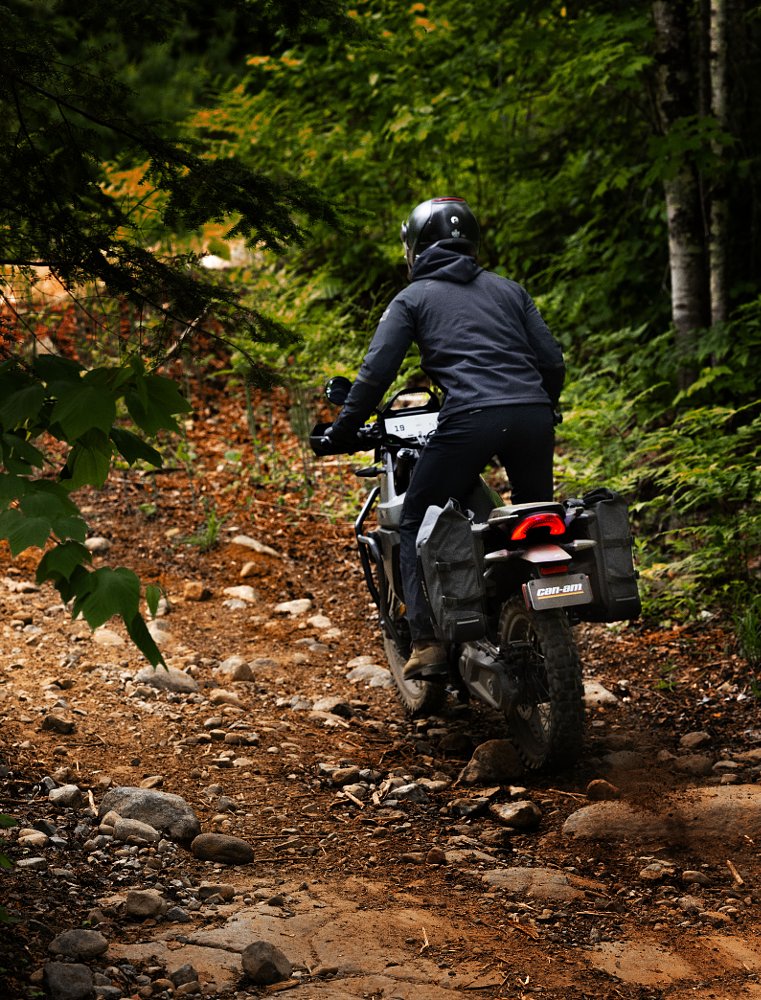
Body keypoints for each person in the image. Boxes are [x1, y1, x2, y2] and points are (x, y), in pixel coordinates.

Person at [322, 196, 565, 681]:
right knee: (534, 514)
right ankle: (529, 610)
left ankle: (428, 642)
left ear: (414, 248)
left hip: (470, 418)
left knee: (415, 517)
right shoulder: (509, 290)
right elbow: (552, 362)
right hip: (534, 416)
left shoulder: (412, 299)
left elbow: (375, 376)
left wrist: (341, 430)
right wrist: (544, 405)